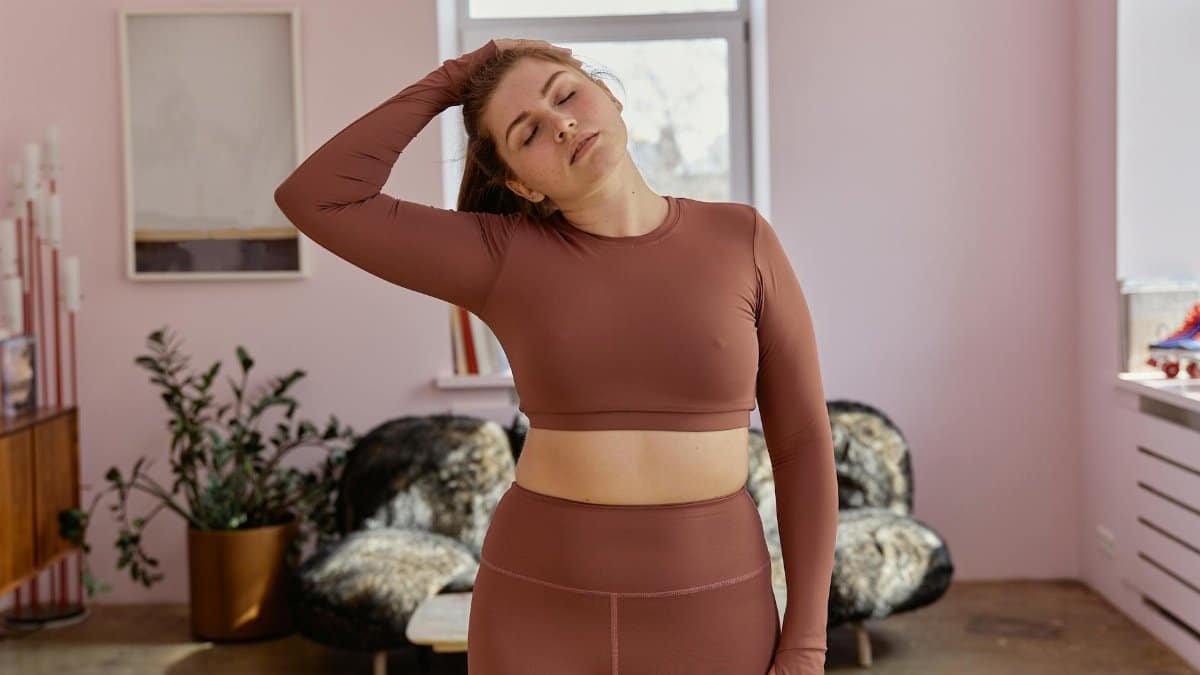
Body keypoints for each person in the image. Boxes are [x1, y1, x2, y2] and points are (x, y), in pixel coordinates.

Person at [274, 36, 838, 675]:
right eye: (527, 132)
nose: (562, 123)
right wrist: (453, 77)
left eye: (566, 94)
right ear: (520, 183)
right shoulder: (501, 253)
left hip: (715, 606)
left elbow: (802, 445)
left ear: (612, 99)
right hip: (539, 608)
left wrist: (807, 640)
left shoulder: (743, 238)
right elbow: (316, 197)